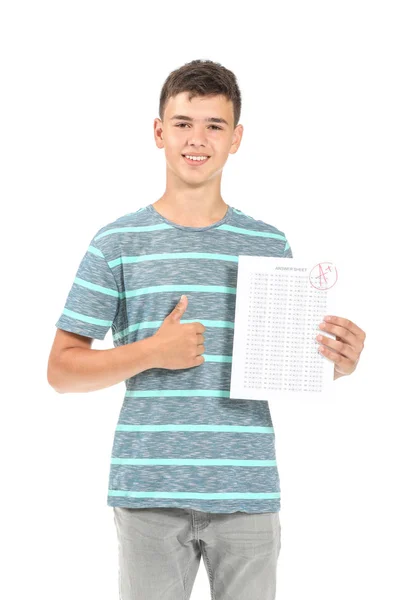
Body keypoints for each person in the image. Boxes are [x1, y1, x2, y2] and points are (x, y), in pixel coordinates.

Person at [47, 59, 366, 600]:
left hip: (247, 491)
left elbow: (282, 367)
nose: (198, 139)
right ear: (158, 132)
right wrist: (151, 351)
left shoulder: (270, 245)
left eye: (214, 125)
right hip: (148, 492)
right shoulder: (116, 243)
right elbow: (60, 370)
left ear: (236, 138)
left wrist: (335, 363)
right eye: (183, 123)